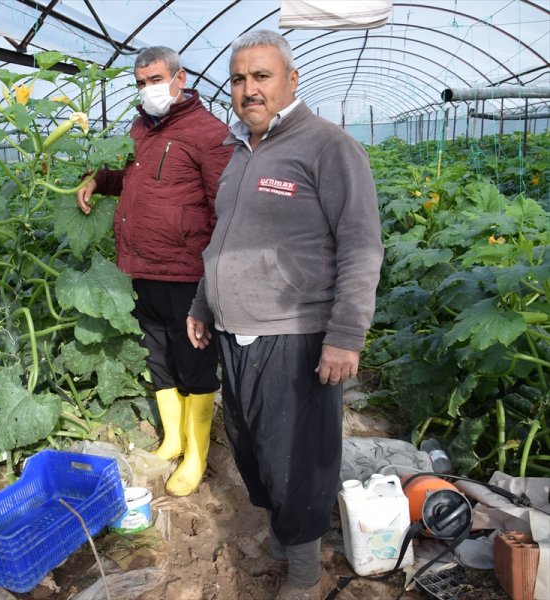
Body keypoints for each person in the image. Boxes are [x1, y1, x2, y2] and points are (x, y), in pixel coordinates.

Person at [186, 31, 383, 599]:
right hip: (234, 330)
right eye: (239, 79)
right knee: (251, 446)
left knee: (297, 455)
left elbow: (361, 245)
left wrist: (346, 335)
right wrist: (203, 301)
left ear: (291, 80)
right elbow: (225, 239)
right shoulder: (240, 153)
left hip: (294, 332)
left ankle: (304, 568)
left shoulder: (327, 146)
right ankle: (282, 538)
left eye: (262, 76)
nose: (249, 89)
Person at [77, 46, 232, 497]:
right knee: (158, 356)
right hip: (141, 266)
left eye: (156, 79)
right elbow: (126, 174)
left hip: (187, 272)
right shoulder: (140, 129)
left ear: (180, 78)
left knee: (195, 361)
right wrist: (96, 179)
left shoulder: (208, 132)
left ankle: (197, 456)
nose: (149, 89)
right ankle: (173, 439)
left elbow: (225, 206)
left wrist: (216, 271)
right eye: (141, 82)